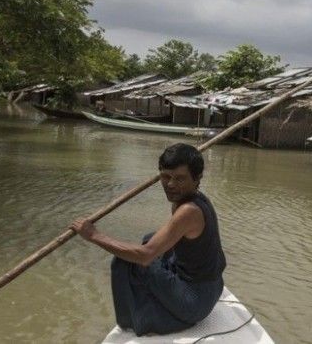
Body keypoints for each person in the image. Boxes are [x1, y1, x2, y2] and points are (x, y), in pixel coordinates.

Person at [70, 143, 226, 336]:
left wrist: (94, 235)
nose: (170, 184)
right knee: (150, 238)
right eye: (165, 176)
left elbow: (145, 256)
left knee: (126, 260)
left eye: (180, 179)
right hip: (212, 286)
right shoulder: (193, 198)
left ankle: (135, 320)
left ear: (197, 179)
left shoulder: (188, 211)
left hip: (195, 301)